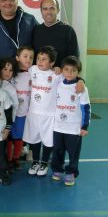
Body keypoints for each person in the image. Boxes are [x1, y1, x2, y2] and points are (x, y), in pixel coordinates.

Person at [51, 56, 90, 186]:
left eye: (73, 70)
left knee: (73, 153)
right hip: (58, 126)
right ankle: (57, 169)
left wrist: (85, 126)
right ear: (62, 70)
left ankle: (71, 173)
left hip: (74, 128)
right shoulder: (58, 83)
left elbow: (86, 108)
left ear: (78, 73)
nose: (69, 73)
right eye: (66, 69)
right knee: (57, 150)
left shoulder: (81, 88)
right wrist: (56, 68)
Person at [23, 46, 60, 177]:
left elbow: (70, 78)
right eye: (38, 58)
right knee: (34, 140)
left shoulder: (56, 75)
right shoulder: (32, 69)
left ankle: (44, 162)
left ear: (52, 63)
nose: (40, 61)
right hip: (33, 113)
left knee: (48, 140)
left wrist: (58, 70)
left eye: (44, 59)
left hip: (49, 115)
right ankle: (35, 162)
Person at [32, 0, 79, 67]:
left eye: (52, 8)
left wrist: (62, 69)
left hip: (61, 75)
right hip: (39, 75)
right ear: (41, 11)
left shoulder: (68, 30)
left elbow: (73, 58)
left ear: (58, 10)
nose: (48, 12)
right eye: (45, 9)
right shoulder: (35, 30)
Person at [0, 57, 20, 171]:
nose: (7, 72)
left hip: (5, 122)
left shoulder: (10, 88)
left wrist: (10, 122)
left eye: (10, 70)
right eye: (5, 69)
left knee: (4, 143)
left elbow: (15, 105)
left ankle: (6, 163)